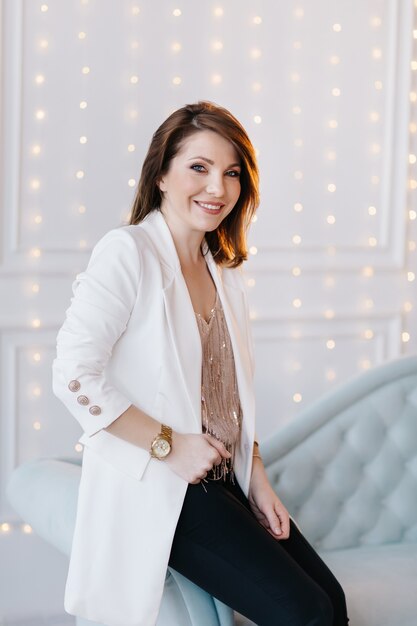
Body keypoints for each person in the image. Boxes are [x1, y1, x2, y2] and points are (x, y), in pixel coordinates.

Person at [52, 100, 349, 626]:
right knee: (305, 614)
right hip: (164, 485)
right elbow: (73, 375)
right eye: (199, 168)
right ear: (161, 174)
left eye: (232, 173)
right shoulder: (129, 252)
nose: (217, 188)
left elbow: (227, 397)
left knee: (331, 603)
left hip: (223, 478)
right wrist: (169, 444)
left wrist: (256, 478)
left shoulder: (223, 270)